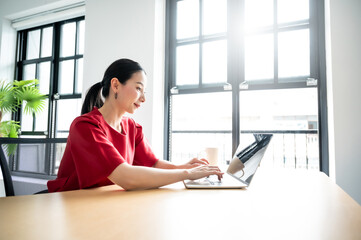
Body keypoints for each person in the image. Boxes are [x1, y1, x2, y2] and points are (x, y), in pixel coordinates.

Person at [47, 58, 223, 192]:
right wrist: (187, 174)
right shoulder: (85, 126)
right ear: (115, 85)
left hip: (105, 202)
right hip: (70, 204)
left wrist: (183, 166)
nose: (143, 98)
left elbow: (152, 164)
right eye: (138, 88)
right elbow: (126, 177)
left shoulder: (131, 127)